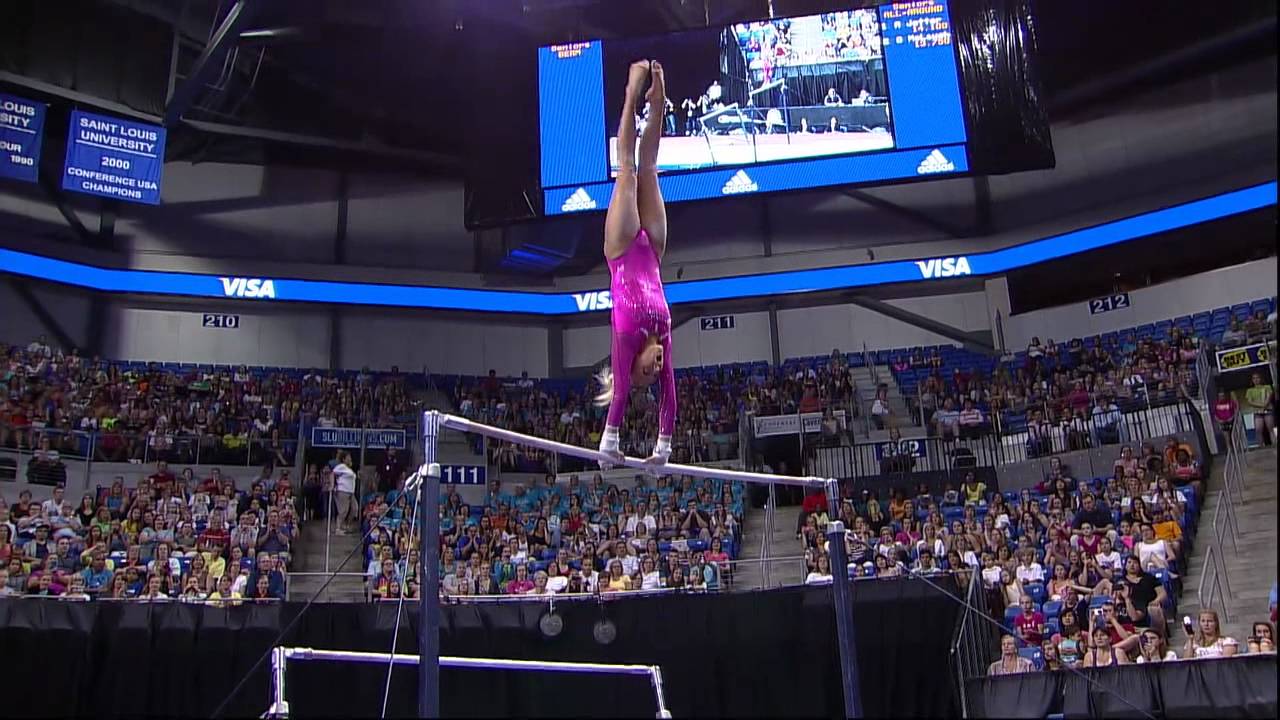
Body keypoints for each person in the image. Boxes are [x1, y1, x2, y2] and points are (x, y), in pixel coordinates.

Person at [596, 60, 676, 471]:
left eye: (649, 371)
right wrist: (662, 450)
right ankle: (657, 99)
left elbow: (623, 391)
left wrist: (609, 442)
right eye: (656, 371)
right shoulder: (662, 335)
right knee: (650, 169)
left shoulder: (626, 340)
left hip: (623, 250)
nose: (658, 366)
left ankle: (630, 94)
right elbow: (671, 398)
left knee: (626, 171)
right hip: (654, 252)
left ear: (634, 368)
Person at [1244, 372, 1275, 447]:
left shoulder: (1267, 387)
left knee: (1270, 428)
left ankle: (1274, 444)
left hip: (1268, 410)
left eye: (1257, 378)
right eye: (1254, 378)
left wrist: (1264, 406)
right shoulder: (1250, 390)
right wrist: (1261, 406)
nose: (1256, 380)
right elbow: (1250, 401)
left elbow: (1269, 397)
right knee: (1258, 429)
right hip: (1257, 411)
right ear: (1252, 380)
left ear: (1261, 379)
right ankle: (1261, 446)